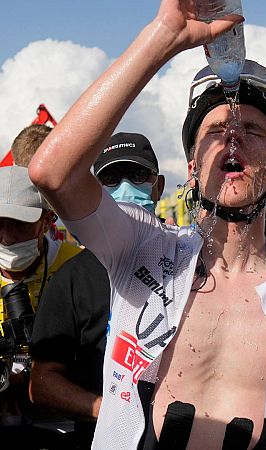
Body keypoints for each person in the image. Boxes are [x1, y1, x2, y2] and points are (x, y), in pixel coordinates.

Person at [28, 3, 266, 449]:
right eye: (215, 130)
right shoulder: (142, 247)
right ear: (191, 168)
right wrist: (162, 37)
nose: (232, 137)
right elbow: (53, 174)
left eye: (253, 130)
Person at [28, 132, 166, 449]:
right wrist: (109, 410)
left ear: (157, 187)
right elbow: (43, 382)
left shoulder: (191, 264)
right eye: (111, 179)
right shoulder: (72, 278)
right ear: (95, 191)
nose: (125, 188)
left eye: (137, 175)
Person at [0, 165, 82, 441]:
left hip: (59, 422)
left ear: (48, 221)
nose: (7, 237)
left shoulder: (77, 266)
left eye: (19, 224)